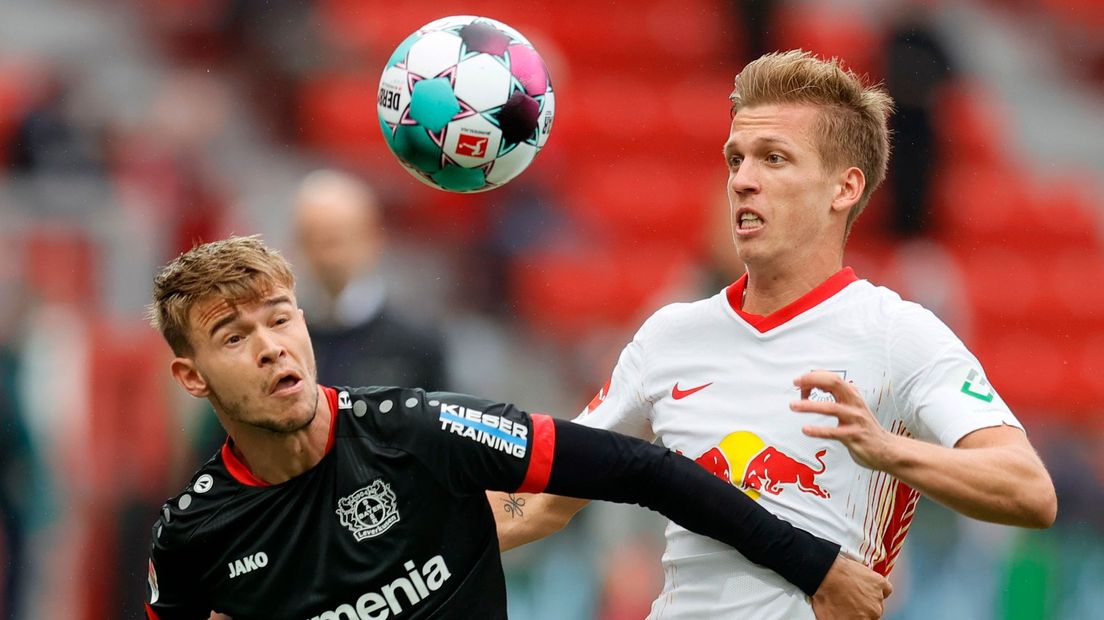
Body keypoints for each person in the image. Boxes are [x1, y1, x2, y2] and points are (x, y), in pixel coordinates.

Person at [491, 49, 1057, 619]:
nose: (743, 181)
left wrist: (887, 451)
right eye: (735, 160)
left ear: (844, 188)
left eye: (774, 159)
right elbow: (542, 502)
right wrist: (410, 540)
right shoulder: (670, 334)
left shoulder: (897, 333)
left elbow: (1029, 491)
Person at [142, 235, 891, 620]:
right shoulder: (194, 534)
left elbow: (638, 469)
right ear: (192, 375)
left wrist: (813, 566)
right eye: (235, 336)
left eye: (280, 318)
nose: (272, 345)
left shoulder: (416, 431)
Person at [292, 169, 447, 390]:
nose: (326, 257)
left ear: (373, 239)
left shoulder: (417, 340)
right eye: (311, 239)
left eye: (335, 240)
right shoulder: (284, 339)